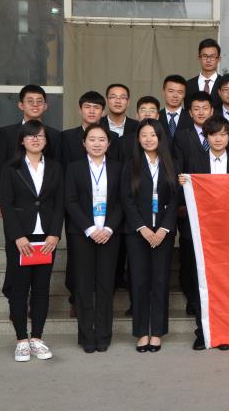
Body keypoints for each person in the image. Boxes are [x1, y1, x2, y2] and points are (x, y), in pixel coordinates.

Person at [177, 114, 229, 351]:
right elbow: (183, 196)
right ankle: (202, 332)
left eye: (223, 134)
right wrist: (183, 184)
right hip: (201, 233)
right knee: (201, 283)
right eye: (213, 134)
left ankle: (226, 332)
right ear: (206, 137)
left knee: (227, 283)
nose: (218, 139)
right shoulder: (193, 163)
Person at [0, 120, 64, 362]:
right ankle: (21, 340)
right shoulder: (11, 167)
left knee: (41, 289)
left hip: (46, 237)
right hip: (21, 238)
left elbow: (59, 203)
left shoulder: (56, 167)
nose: (35, 139)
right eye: (30, 135)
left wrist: (55, 233)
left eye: (40, 136)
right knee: (19, 289)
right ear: (22, 140)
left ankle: (37, 338)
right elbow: (7, 204)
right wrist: (17, 235)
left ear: (46, 141)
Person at [121, 119, 179, 353]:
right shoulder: (130, 165)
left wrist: (163, 229)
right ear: (138, 138)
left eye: (152, 135)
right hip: (138, 233)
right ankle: (141, 332)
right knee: (139, 282)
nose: (148, 139)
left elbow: (175, 199)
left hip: (163, 233)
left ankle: (157, 332)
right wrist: (142, 228)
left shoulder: (171, 164)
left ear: (160, 138)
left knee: (160, 281)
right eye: (143, 135)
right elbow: (126, 199)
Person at [61, 91, 121, 315]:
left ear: (103, 111)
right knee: (77, 261)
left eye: (97, 107)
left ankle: (103, 306)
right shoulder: (66, 137)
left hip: (107, 215)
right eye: (87, 107)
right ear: (80, 109)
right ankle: (76, 298)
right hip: (78, 211)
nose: (92, 111)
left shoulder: (111, 138)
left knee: (106, 268)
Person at [64, 124, 123, 353]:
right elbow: (70, 201)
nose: (97, 144)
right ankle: (87, 336)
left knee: (106, 286)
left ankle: (103, 335)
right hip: (82, 234)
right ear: (84, 143)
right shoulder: (74, 168)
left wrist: (108, 228)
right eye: (92, 139)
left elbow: (122, 201)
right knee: (84, 286)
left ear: (108, 143)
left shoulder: (118, 167)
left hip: (110, 234)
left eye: (101, 140)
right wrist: (89, 228)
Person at [172, 91, 216, 321]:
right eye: (196, 109)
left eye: (205, 108)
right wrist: (182, 202)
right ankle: (192, 298)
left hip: (217, 209)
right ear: (189, 112)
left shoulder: (221, 133)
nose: (201, 112)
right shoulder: (181, 136)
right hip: (189, 207)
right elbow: (177, 170)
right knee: (189, 254)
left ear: (212, 111)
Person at [0, 85, 61, 220]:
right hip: (15, 200)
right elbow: (0, 167)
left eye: (39, 101)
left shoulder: (55, 135)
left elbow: (57, 169)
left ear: (45, 106)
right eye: (30, 101)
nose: (35, 105)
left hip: (45, 202)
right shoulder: (7, 133)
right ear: (21, 105)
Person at [100, 83, 138, 293]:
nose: (118, 100)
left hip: (133, 192)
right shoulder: (97, 126)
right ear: (107, 100)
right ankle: (109, 282)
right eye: (113, 96)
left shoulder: (137, 127)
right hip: (104, 193)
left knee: (127, 238)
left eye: (122, 97)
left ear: (128, 101)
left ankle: (125, 281)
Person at [187, 38, 223, 108]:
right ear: (199, 58)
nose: (208, 60)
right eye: (205, 56)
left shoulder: (225, 85)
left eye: (212, 56)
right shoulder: (188, 85)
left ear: (219, 59)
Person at [159, 74, 193, 147]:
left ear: (184, 94)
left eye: (180, 92)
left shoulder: (192, 117)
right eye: (171, 91)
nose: (175, 96)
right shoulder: (156, 117)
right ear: (163, 91)